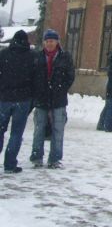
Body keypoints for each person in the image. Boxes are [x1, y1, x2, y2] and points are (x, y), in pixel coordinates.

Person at [30, 29, 75, 169]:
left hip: (58, 98)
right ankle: (37, 157)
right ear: (44, 42)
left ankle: (54, 159)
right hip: (41, 98)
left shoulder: (64, 57)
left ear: (57, 42)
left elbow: (70, 76)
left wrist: (61, 88)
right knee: (39, 128)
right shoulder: (38, 57)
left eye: (52, 41)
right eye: (47, 41)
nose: (49, 43)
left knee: (58, 129)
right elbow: (33, 76)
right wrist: (38, 89)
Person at [0, 30, 38, 173]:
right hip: (23, 100)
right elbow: (36, 80)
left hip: (4, 99)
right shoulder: (32, 56)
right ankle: (10, 164)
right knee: (16, 133)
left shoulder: (3, 55)